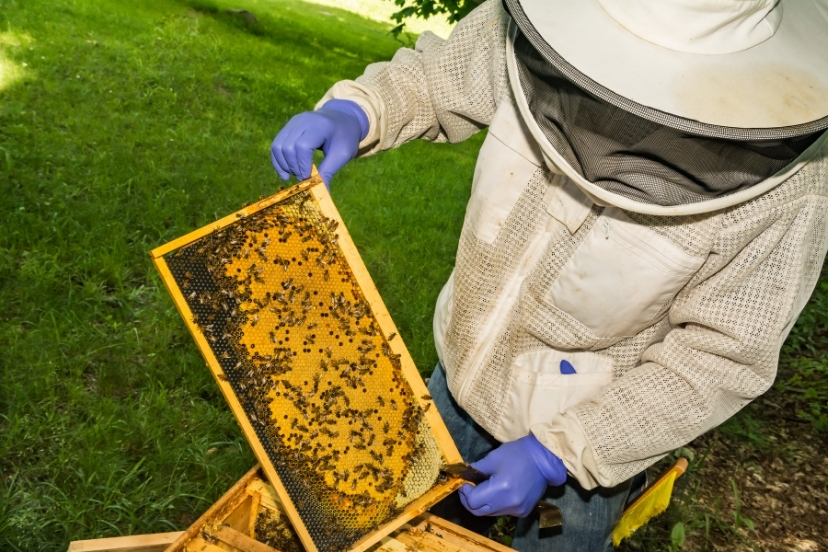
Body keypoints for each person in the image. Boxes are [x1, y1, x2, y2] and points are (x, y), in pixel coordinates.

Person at [270, 0, 828, 549]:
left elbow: (719, 359)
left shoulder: (794, 191)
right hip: (455, 377)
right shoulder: (538, 27)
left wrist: (560, 450)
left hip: (581, 457)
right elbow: (439, 77)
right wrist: (360, 110)